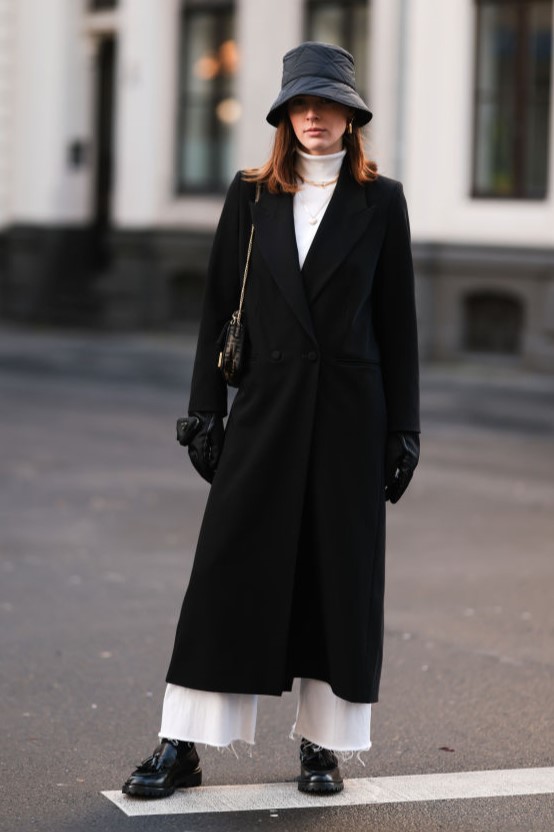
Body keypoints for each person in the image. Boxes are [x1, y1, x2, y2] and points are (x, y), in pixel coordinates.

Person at [122, 41, 420, 799]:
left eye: (329, 104)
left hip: (351, 421)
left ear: (353, 116)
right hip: (265, 412)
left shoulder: (382, 201)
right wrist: (202, 411)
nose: (315, 116)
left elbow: (398, 324)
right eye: (302, 104)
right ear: (285, 116)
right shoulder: (251, 194)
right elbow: (219, 306)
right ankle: (181, 743)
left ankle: (323, 746)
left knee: (338, 582)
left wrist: (404, 429)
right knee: (227, 576)